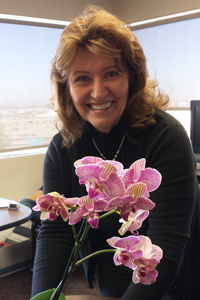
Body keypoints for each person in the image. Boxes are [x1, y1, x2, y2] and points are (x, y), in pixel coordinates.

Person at [31, 6, 200, 300]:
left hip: (169, 276)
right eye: (82, 78)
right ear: (66, 87)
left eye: (111, 73)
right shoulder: (63, 147)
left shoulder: (166, 137)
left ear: (131, 78)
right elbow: (55, 235)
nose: (98, 92)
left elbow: (166, 248)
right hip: (115, 265)